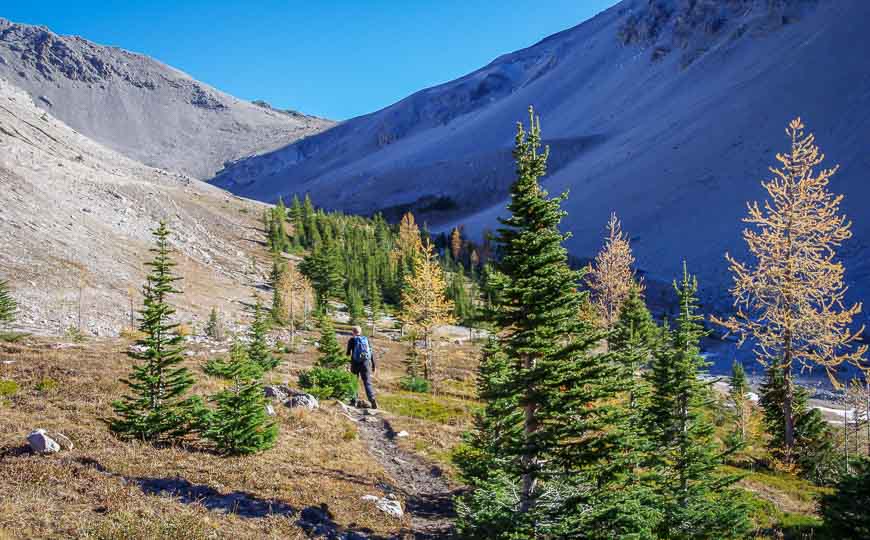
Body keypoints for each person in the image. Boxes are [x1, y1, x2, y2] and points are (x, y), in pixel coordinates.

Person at [347, 325, 377, 409]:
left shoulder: (352, 340)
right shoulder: (366, 339)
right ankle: (372, 399)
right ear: (360, 332)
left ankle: (353, 401)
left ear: (353, 332)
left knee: (354, 382)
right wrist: (374, 365)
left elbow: (348, 353)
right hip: (366, 364)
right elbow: (371, 353)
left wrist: (347, 363)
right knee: (367, 383)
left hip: (355, 364)